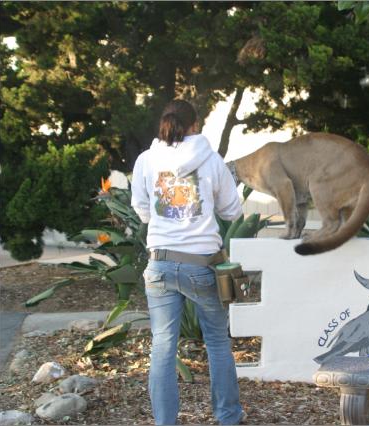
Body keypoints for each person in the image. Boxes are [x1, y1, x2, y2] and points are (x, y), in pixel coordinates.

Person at [131, 99, 246, 425]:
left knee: (162, 348)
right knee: (217, 343)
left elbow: (142, 211)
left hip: (160, 264)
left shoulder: (146, 160)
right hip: (202, 266)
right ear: (195, 125)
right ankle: (228, 417)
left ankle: (164, 422)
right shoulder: (212, 160)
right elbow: (232, 212)